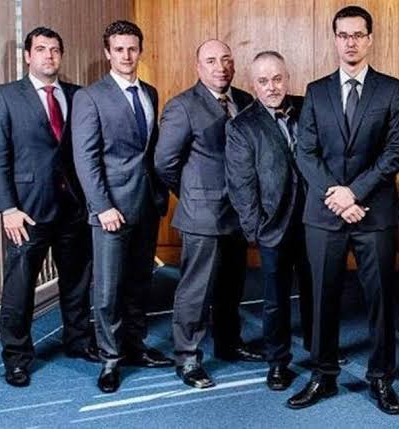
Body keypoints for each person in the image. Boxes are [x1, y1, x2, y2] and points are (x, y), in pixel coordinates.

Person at [287, 5, 399, 414]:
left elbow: (396, 150)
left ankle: (381, 379)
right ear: (335, 39)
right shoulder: (316, 90)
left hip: (373, 212)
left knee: (381, 300)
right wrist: (337, 197)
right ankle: (322, 376)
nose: (350, 42)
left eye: (358, 35)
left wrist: (354, 193)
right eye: (343, 35)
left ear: (369, 39)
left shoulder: (391, 89)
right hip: (324, 215)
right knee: (321, 298)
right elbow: (305, 153)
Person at [72, 20, 172, 393]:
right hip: (110, 210)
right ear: (107, 53)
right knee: (108, 290)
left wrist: (158, 196)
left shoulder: (150, 92)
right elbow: (86, 159)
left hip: (145, 204)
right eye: (119, 49)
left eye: (132, 48)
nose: (126, 55)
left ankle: (135, 346)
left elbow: (149, 152)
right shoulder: (90, 97)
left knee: (139, 282)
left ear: (140, 51)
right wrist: (102, 206)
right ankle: (110, 359)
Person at [155, 39, 259, 390]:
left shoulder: (244, 100)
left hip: (238, 213)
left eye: (226, 60)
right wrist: (191, 195)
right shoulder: (182, 106)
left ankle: (229, 344)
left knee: (232, 286)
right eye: (211, 61)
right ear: (198, 67)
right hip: (202, 215)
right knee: (195, 291)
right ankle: (187, 358)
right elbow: (164, 163)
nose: (221, 67)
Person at [0, 27, 98, 388]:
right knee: (19, 288)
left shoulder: (78, 95)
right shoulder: (6, 97)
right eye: (41, 49)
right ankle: (16, 358)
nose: (49, 56)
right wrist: (7, 208)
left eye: (55, 49)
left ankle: (79, 341)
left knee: (77, 281)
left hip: (73, 207)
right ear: (28, 56)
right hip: (27, 212)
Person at [225, 50, 313, 391]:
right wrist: (257, 230)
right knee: (276, 300)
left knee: (316, 291)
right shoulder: (241, 126)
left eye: (277, 79)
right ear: (253, 85)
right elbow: (241, 185)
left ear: (287, 78)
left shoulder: (308, 108)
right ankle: (278, 362)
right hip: (273, 227)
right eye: (263, 81)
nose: (272, 87)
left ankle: (320, 351)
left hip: (314, 221)